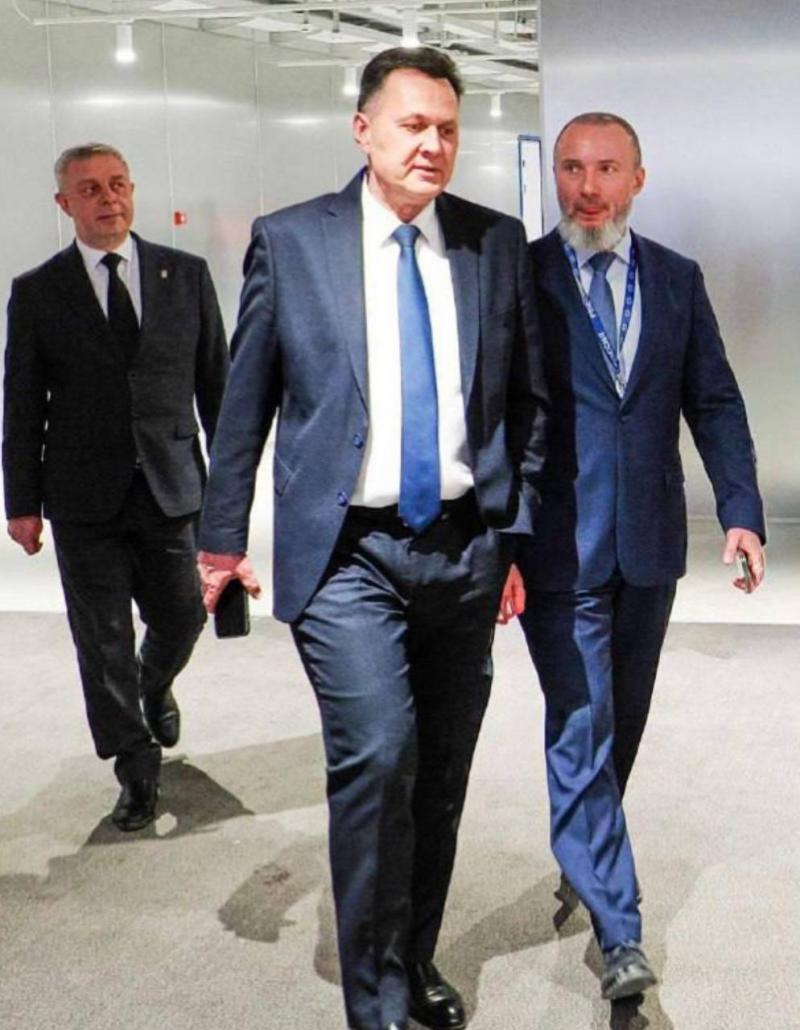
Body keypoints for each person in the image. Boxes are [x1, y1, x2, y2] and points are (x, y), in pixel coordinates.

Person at [197, 47, 547, 1030]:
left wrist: (511, 537)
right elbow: (246, 402)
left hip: (464, 549)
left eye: (446, 128)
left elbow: (528, 404)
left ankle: (412, 954)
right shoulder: (292, 241)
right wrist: (221, 538)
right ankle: (376, 999)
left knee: (439, 772)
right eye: (412, 125)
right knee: (380, 755)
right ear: (363, 130)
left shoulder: (494, 242)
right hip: (346, 552)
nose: (432, 144)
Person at [500, 111, 766, 1000]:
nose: (588, 187)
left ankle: (583, 846)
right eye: (572, 168)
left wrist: (741, 511)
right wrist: (498, 538)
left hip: (649, 543)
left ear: (638, 178)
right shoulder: (520, 277)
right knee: (582, 723)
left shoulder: (677, 278)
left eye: (607, 169)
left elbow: (713, 399)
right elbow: (492, 411)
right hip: (554, 547)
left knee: (623, 722)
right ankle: (622, 933)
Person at [3, 143, 229, 832]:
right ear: (64, 203)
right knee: (100, 640)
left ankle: (152, 683)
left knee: (183, 614)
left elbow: (218, 389)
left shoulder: (184, 275)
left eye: (118, 184)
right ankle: (135, 766)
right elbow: (22, 403)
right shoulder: (38, 291)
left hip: (170, 484)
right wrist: (21, 502)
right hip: (82, 495)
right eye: (91, 189)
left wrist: (234, 493)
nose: (109, 199)